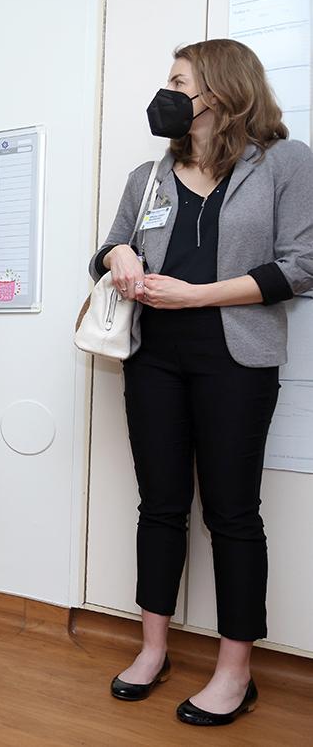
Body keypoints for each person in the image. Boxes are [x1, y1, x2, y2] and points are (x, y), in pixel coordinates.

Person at [92, 39, 313, 726]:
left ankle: (234, 670)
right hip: (153, 359)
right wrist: (119, 252)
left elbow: (301, 266)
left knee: (231, 513)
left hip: (235, 362)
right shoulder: (149, 175)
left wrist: (197, 296)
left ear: (217, 89)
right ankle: (153, 648)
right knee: (159, 506)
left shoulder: (284, 162)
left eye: (177, 79)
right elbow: (104, 255)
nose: (166, 90)